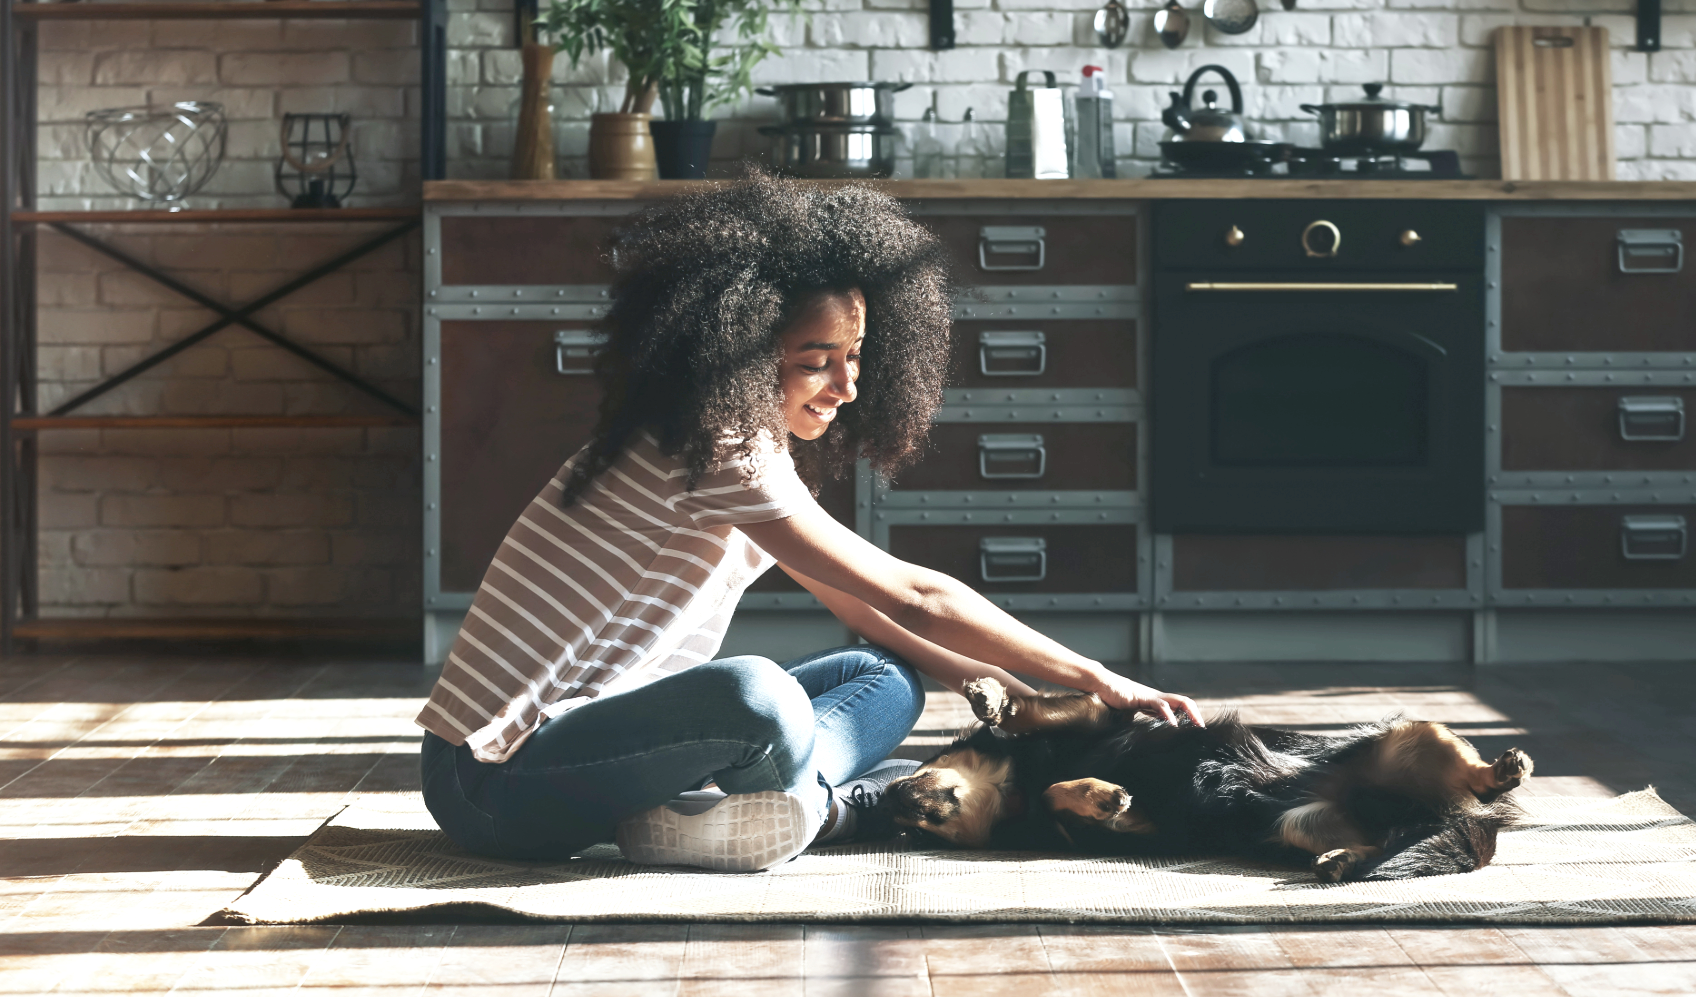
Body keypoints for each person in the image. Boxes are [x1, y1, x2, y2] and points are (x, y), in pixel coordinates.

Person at [416, 176, 1203, 872]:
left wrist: (990, 685)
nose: (846, 386)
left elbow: (862, 610)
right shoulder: (716, 446)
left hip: (609, 744)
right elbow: (913, 594)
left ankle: (741, 812)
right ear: (745, 349)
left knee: (884, 677)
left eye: (856, 355)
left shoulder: (736, 437)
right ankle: (827, 809)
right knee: (755, 693)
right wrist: (1096, 678)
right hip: (493, 782)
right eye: (816, 359)